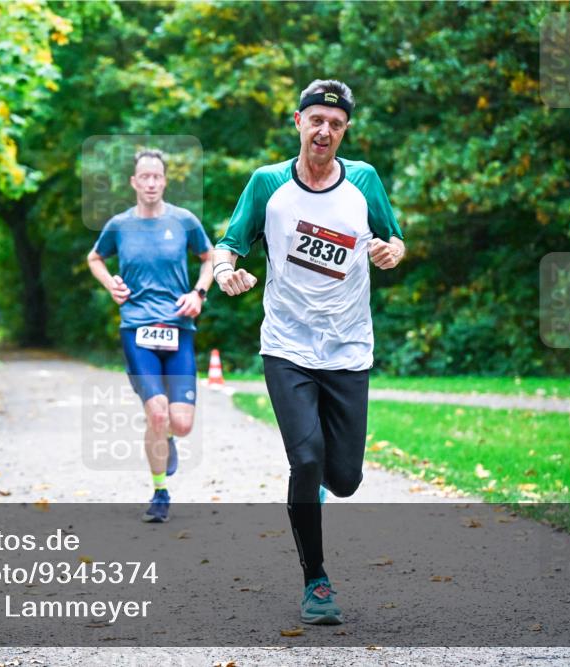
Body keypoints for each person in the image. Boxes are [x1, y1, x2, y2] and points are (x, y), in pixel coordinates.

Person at [213, 79, 405, 624]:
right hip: (287, 346)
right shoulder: (267, 182)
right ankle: (316, 581)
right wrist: (227, 272)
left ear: (345, 130)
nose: (324, 130)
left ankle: (316, 482)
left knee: (343, 480)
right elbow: (230, 242)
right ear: (298, 121)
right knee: (306, 459)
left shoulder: (363, 180)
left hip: (348, 348)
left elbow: (395, 239)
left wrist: (392, 252)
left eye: (336, 123)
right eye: (316, 119)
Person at [87, 149, 213, 523]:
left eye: (157, 177)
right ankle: (160, 490)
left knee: (182, 424)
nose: (151, 183)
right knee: (157, 414)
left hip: (179, 329)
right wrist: (112, 284)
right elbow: (95, 258)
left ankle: (168, 438)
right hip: (136, 328)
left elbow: (209, 258)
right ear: (134, 182)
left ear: (165, 180)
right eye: (145, 177)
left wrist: (198, 294)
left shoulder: (184, 221)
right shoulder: (119, 225)